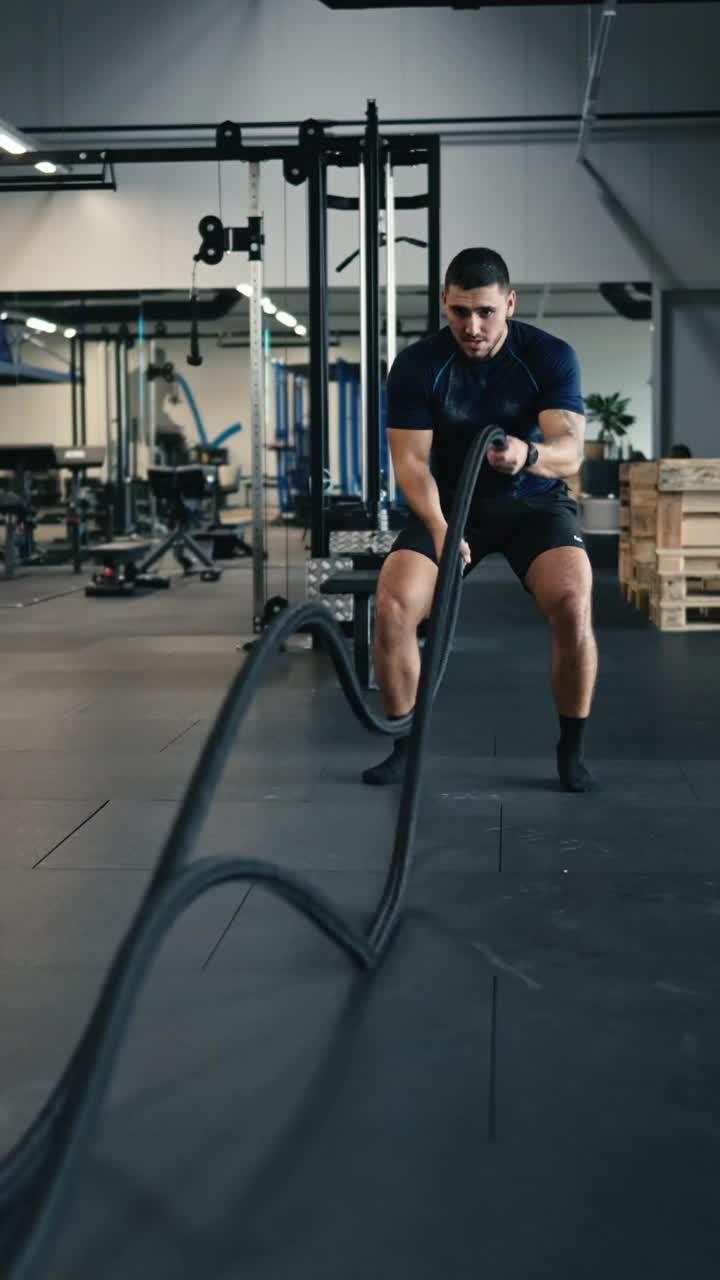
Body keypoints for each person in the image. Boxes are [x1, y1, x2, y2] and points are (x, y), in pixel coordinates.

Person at [363, 247, 598, 793]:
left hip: (534, 502)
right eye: (460, 311)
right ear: (444, 301)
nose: (472, 326)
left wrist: (528, 455)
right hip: (448, 506)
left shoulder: (549, 356)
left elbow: (571, 450)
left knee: (573, 602)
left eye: (486, 312)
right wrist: (443, 528)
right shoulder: (419, 365)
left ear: (509, 304)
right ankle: (404, 746)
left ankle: (572, 750)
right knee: (394, 606)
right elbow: (411, 463)